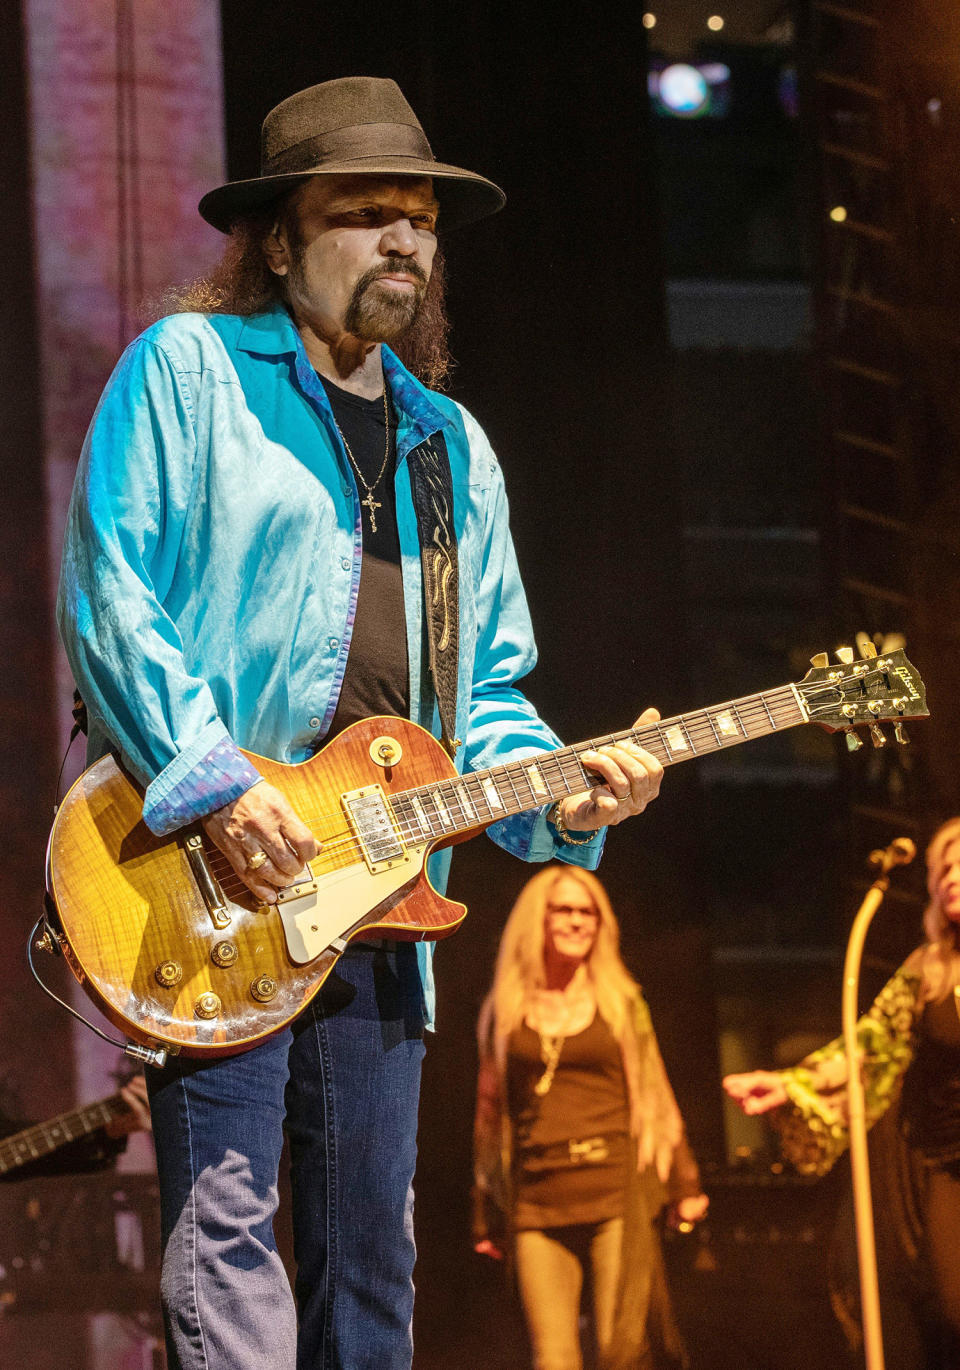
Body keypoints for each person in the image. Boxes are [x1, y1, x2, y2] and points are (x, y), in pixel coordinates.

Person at [56, 77, 665, 1370]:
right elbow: (112, 588)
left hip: (386, 895)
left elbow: (486, 692)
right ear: (280, 239)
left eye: (422, 220)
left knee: (372, 1261)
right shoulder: (191, 373)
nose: (406, 239)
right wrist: (215, 781)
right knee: (226, 1235)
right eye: (366, 214)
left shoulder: (451, 449)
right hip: (211, 878)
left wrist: (564, 794)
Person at [723, 817, 960, 1367]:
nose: (950, 876)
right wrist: (788, 1082)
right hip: (949, 1161)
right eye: (942, 867)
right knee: (952, 1310)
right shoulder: (929, 970)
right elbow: (868, 1047)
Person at [473, 865, 707, 1370]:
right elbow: (490, 1113)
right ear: (538, 919)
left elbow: (656, 1092)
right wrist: (484, 1207)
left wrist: (685, 1183)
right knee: (553, 1359)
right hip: (538, 1199)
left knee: (620, 1350)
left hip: (614, 1191)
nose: (578, 922)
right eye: (565, 909)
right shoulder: (505, 1008)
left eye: (588, 912)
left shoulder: (621, 1002)